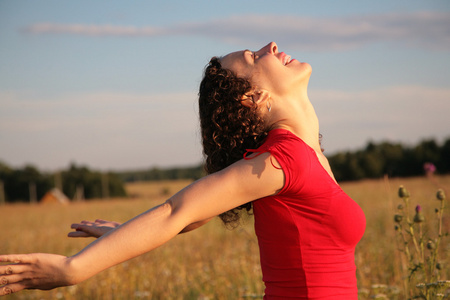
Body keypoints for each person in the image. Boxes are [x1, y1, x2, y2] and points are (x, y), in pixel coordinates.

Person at [0, 42, 366, 299]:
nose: (271, 46)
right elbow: (177, 212)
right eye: (255, 57)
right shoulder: (282, 161)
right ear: (253, 99)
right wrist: (71, 269)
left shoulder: (303, 155)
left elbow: (196, 213)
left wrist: (125, 233)